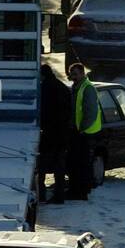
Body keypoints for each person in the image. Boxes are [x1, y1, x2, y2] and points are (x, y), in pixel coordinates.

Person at [66, 62, 101, 199]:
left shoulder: (87, 88)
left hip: (86, 133)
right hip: (79, 131)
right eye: (71, 74)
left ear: (82, 73)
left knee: (83, 163)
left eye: (75, 74)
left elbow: (90, 112)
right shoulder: (76, 87)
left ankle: (82, 192)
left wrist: (81, 129)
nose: (72, 77)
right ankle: (78, 190)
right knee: (77, 162)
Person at [39, 64, 72, 203]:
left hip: (49, 133)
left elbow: (44, 111)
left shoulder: (44, 89)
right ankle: (59, 195)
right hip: (62, 133)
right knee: (59, 166)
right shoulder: (62, 87)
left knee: (41, 166)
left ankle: (41, 193)